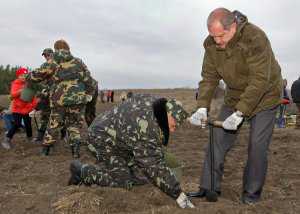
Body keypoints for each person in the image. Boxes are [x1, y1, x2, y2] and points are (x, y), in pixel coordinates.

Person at [188, 8, 282, 204]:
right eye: (213, 37)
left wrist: (241, 113)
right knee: (217, 139)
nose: (217, 41)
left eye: (221, 36)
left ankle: (251, 195)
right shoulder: (211, 45)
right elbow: (209, 78)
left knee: (257, 146)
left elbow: (259, 80)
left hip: (265, 95)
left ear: (233, 27)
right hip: (234, 97)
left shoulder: (254, 37)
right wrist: (202, 106)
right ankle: (208, 187)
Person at [68, 94, 194, 209]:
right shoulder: (148, 125)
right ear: (168, 114)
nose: (172, 130)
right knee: (122, 183)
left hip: (119, 137)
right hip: (101, 139)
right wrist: (178, 194)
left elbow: (150, 149)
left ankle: (123, 171)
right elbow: (152, 163)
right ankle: (83, 171)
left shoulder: (156, 105)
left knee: (137, 179)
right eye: (173, 125)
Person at [27, 39, 97, 158]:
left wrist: (28, 76)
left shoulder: (52, 61)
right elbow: (89, 81)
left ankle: (46, 150)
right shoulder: (78, 62)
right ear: (68, 48)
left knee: (54, 123)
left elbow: (35, 76)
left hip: (59, 100)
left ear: (56, 49)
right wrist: (89, 94)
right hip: (78, 100)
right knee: (74, 125)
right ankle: (75, 151)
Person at [2, 68, 38, 149]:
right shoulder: (16, 84)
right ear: (18, 76)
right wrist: (20, 91)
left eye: (25, 75)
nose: (23, 77)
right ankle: (7, 140)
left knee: (28, 124)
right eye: (21, 75)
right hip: (17, 109)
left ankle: (30, 138)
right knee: (17, 124)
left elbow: (33, 96)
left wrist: (34, 107)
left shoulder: (29, 83)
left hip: (27, 109)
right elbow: (12, 96)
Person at [31, 48, 54, 144]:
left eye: (48, 55)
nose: (46, 57)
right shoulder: (45, 68)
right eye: (45, 55)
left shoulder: (55, 65)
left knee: (57, 118)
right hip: (47, 98)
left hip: (56, 97)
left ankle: (60, 136)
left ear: (52, 54)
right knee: (44, 117)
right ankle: (40, 137)